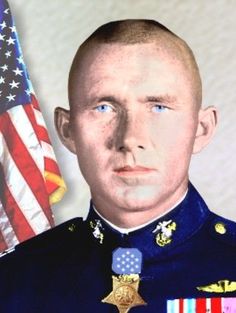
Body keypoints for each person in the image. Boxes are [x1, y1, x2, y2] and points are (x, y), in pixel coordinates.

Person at [0, 19, 236, 313]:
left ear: (201, 129)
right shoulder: (13, 279)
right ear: (67, 130)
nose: (131, 138)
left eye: (158, 107)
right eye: (104, 107)